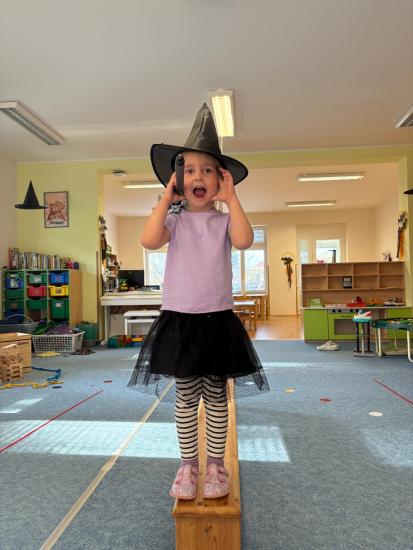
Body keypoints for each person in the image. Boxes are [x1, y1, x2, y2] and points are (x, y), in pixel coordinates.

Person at [128, 103, 269, 500]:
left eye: (208, 170)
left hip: (217, 320)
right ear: (179, 179)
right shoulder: (173, 221)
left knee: (216, 396)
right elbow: (148, 240)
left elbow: (245, 240)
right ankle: (189, 464)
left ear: (220, 179)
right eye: (189, 170)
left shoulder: (224, 221)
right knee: (186, 395)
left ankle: (216, 464)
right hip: (181, 320)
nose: (198, 177)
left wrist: (232, 198)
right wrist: (165, 198)